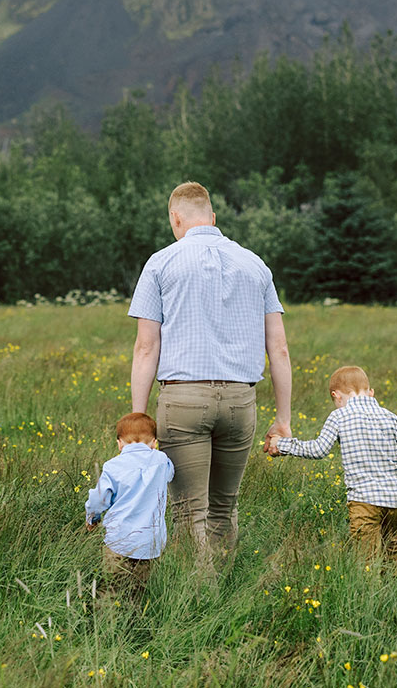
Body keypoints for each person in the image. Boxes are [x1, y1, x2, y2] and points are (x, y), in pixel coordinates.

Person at [128, 181, 293, 562]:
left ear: (176, 217)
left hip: (184, 400)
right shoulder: (255, 264)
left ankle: (199, 604)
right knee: (224, 508)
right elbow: (279, 348)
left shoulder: (161, 262)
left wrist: (139, 418)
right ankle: (225, 595)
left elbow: (146, 346)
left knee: (189, 513)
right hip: (240, 401)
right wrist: (282, 420)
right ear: (213, 218)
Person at [267, 365, 397, 562]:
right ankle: (391, 588)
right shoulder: (391, 416)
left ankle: (368, 591)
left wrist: (283, 444)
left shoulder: (339, 416)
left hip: (365, 500)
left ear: (336, 396)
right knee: (390, 549)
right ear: (371, 392)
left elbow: (318, 450)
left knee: (366, 559)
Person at [85, 411, 175, 598]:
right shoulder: (161, 461)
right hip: (150, 542)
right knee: (139, 591)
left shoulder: (113, 466)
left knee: (112, 588)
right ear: (154, 443)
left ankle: (108, 620)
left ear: (119, 444)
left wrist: (93, 517)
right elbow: (170, 474)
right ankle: (134, 619)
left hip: (119, 541)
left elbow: (98, 499)